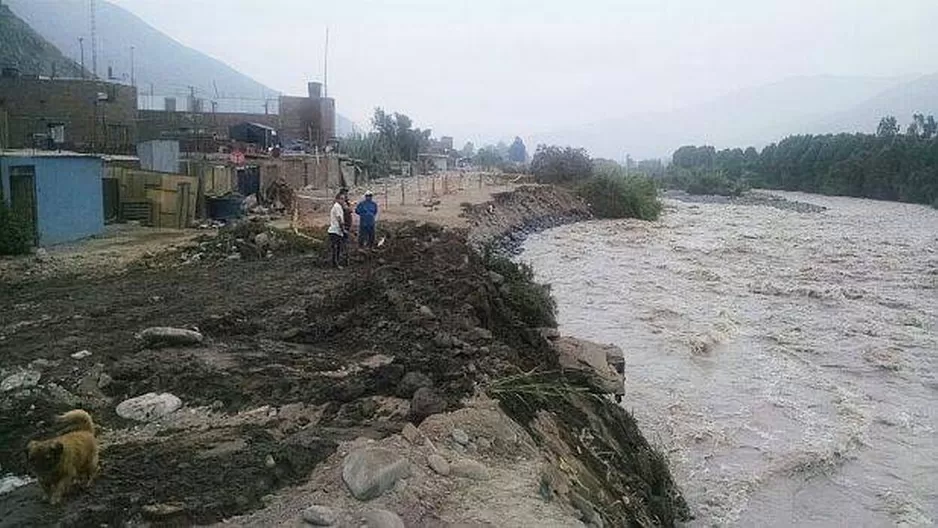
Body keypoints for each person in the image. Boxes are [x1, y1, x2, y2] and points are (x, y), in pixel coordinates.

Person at [327, 192, 346, 268]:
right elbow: (339, 219)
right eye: (341, 199)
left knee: (337, 248)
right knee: (336, 248)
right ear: (337, 199)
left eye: (344, 199)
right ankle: (336, 264)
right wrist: (343, 229)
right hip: (335, 231)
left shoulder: (338, 206)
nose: (343, 200)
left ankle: (335, 263)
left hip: (336, 231)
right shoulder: (337, 207)